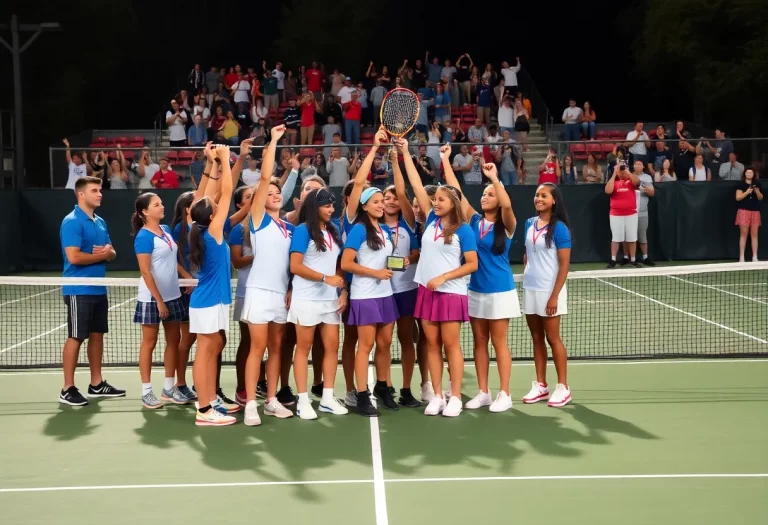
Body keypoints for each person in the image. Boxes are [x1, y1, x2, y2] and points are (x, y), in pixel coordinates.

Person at [397, 138, 479, 418]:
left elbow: (472, 264)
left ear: (453, 202)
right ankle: (438, 395)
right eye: (435, 200)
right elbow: (416, 184)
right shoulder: (431, 220)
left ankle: (455, 396)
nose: (435, 202)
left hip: (451, 292)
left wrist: (445, 276)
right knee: (431, 344)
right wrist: (405, 153)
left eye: (441, 199)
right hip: (427, 292)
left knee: (451, 345)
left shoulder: (464, 230)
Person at [442, 158, 519, 413]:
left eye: (490, 195)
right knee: (479, 341)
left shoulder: (507, 224)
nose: (485, 197)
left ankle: (504, 393)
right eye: (484, 194)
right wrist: (445, 159)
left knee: (499, 343)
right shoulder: (474, 221)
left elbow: (506, 203)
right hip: (475, 290)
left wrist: (495, 178)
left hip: (500, 291)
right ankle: (484, 392)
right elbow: (457, 193)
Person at [240, 126, 296, 425]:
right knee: (257, 348)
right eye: (269, 193)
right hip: (259, 292)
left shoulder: (289, 227)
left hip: (280, 294)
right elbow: (264, 178)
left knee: (276, 349)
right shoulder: (258, 220)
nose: (273, 195)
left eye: (277, 193)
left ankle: (271, 399)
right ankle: (251, 404)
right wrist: (273, 141)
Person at [58, 176, 124, 406]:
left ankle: (96, 384)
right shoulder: (72, 222)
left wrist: (108, 253)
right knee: (76, 336)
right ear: (81, 195)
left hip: (98, 289)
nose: (100, 194)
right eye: (94, 190)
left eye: (100, 190)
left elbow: (112, 251)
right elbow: (73, 257)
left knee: (97, 336)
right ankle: (67, 388)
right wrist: (101, 255)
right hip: (78, 289)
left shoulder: (100, 221)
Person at [288, 188, 349, 420]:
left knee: (332, 347)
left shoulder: (333, 231)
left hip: (329, 300)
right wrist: (325, 279)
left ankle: (327, 399)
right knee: (303, 349)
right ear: (315, 207)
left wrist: (342, 289)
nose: (331, 210)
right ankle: (303, 401)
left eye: (332, 205)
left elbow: (338, 265)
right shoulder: (303, 231)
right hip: (306, 299)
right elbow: (296, 266)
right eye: (327, 206)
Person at [188, 143, 237, 426]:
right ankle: (204, 409)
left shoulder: (201, 226)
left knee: (214, 345)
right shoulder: (213, 231)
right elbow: (227, 192)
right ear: (211, 216)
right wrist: (225, 159)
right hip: (207, 302)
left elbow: (209, 196)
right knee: (205, 353)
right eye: (216, 207)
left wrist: (214, 163)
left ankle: (209, 398)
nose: (219, 203)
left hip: (211, 300)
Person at [341, 183, 401, 417]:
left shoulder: (385, 231)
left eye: (381, 201)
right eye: (375, 202)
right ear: (364, 206)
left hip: (385, 294)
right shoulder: (358, 230)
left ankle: (383, 387)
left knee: (385, 343)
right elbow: (346, 263)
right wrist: (375, 273)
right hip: (365, 295)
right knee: (365, 346)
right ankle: (362, 395)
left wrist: (399, 263)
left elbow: (385, 261)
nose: (380, 205)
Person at [131, 193, 187, 409]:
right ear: (144, 211)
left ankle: (168, 389)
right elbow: (146, 272)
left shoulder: (166, 231)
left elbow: (173, 262)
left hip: (173, 295)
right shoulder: (143, 237)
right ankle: (146, 392)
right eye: (156, 205)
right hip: (152, 299)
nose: (162, 206)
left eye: (161, 203)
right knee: (149, 343)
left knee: (174, 341)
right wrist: (159, 301)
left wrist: (187, 278)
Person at [521, 183, 573, 408]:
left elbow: (564, 266)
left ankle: (563, 387)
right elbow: (528, 255)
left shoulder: (560, 228)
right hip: (530, 288)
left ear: (553, 201)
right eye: (536, 195)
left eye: (544, 195)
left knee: (553, 338)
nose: (538, 198)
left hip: (550, 291)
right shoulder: (529, 224)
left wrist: (554, 296)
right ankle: (541, 385)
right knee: (536, 336)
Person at [384, 155, 424, 408]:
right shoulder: (372, 226)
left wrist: (409, 258)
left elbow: (418, 251)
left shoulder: (409, 224)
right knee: (384, 342)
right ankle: (385, 387)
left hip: (407, 290)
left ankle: (407, 389)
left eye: (394, 198)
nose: (390, 201)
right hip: (383, 292)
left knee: (406, 339)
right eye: (385, 198)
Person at [606, 160, 641, 268]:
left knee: (632, 238)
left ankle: (633, 260)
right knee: (616, 238)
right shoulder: (614, 182)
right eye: (620, 170)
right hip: (616, 214)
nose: (622, 172)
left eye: (623, 169)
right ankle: (613, 260)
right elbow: (608, 190)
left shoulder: (631, 181)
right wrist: (614, 173)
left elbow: (637, 183)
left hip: (631, 214)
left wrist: (628, 172)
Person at [735, 168, 763, 262]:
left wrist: (757, 191)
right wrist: (747, 192)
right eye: (747, 172)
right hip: (743, 211)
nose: (749, 174)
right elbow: (738, 198)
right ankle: (741, 257)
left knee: (754, 234)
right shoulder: (741, 184)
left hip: (755, 211)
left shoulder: (757, 184)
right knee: (743, 234)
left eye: (751, 172)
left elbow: (760, 198)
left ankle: (755, 257)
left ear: (754, 174)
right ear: (745, 173)